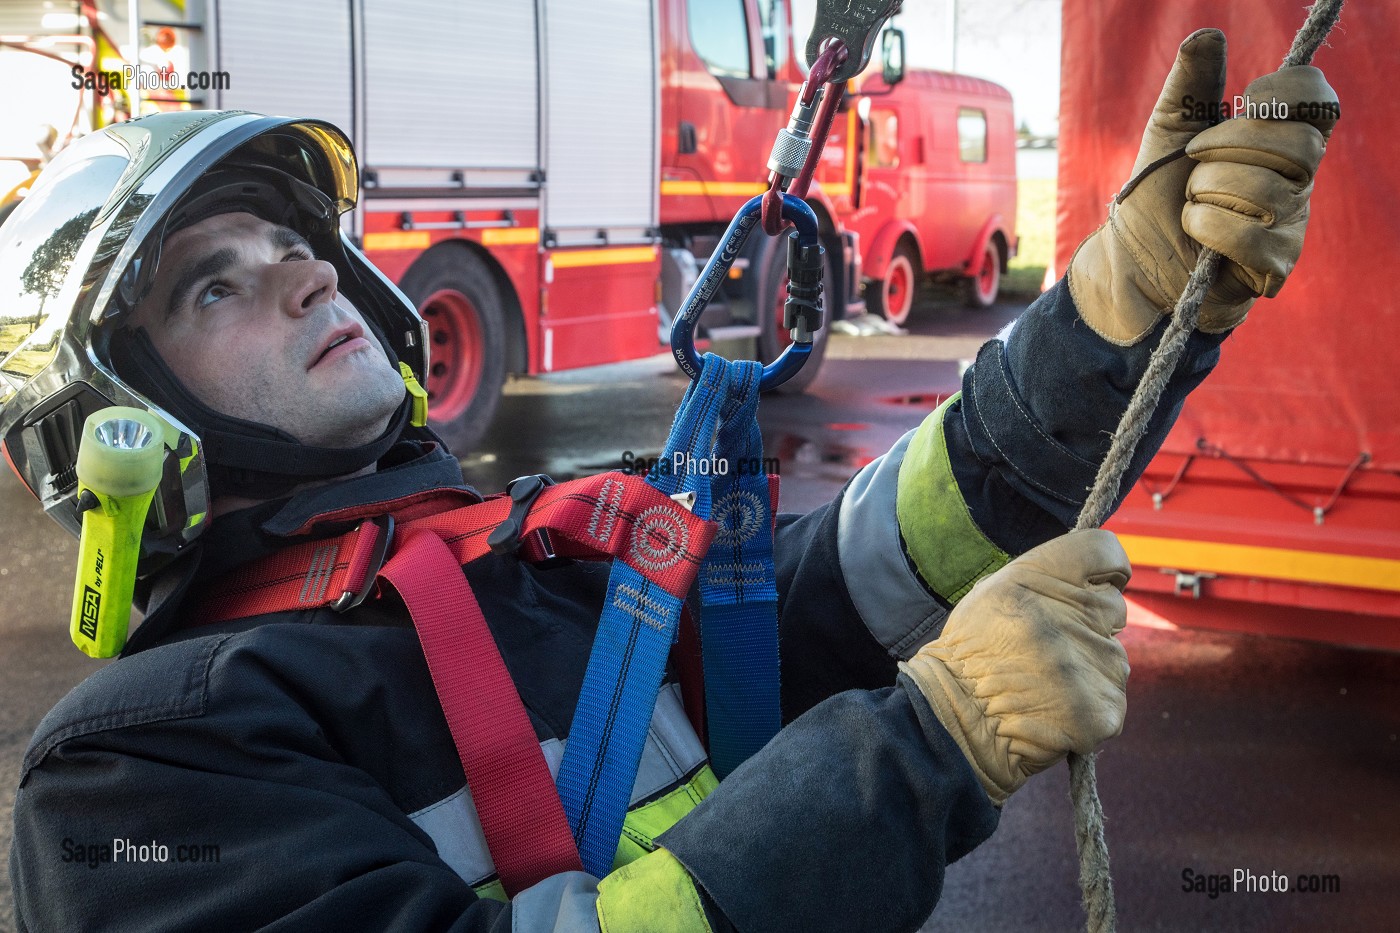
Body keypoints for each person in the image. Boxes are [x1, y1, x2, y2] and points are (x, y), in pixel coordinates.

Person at [0, 30, 1335, 932]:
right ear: (116, 420)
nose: (303, 268)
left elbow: (843, 582)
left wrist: (1118, 311)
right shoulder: (129, 776)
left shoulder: (524, 558)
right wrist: (924, 752)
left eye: (290, 241)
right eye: (210, 284)